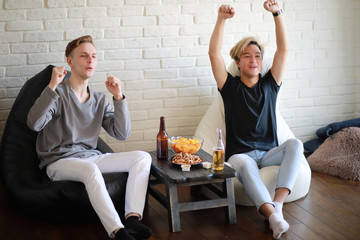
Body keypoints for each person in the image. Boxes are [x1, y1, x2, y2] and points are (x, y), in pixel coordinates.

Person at [27, 35, 152, 240]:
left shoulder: (99, 99)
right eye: (84, 56)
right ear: (70, 61)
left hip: (90, 157)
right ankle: (117, 231)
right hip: (59, 161)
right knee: (91, 169)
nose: (90, 61)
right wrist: (51, 86)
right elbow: (34, 124)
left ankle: (132, 219)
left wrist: (118, 97)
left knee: (143, 157)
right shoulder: (57, 93)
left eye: (93, 56)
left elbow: (121, 133)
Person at [209, 1, 303, 239]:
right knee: (241, 162)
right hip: (241, 154)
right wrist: (221, 19)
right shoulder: (229, 88)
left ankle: (278, 206)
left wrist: (277, 13)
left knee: (296, 145)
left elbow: (283, 49)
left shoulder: (270, 85)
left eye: (258, 56)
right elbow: (213, 54)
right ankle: (272, 217)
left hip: (268, 152)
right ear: (238, 62)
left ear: (261, 62)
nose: (253, 59)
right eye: (247, 56)